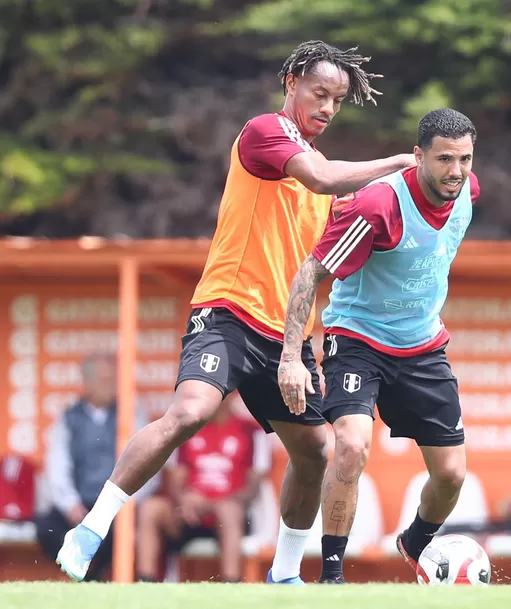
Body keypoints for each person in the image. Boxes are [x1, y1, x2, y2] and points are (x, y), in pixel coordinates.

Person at [56, 39, 416, 584]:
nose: (327, 108)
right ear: (291, 80)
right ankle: (92, 528)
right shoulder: (264, 133)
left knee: (315, 449)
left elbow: (333, 211)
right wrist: (400, 163)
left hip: (285, 337)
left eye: (337, 101)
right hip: (227, 310)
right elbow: (322, 176)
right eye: (319, 93)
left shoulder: (320, 177)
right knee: (191, 412)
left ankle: (285, 576)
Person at [277, 108, 480, 583]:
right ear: (417, 157)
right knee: (350, 445)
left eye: (465, 159)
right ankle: (331, 576)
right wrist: (291, 356)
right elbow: (312, 272)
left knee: (451, 476)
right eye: (444, 159)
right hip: (359, 339)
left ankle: (414, 543)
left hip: (423, 345)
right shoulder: (378, 207)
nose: (455, 171)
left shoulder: (468, 191)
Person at [38, 354, 157, 580]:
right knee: (47, 527)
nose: (112, 385)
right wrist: (70, 504)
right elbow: (57, 465)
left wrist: (125, 504)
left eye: (115, 379)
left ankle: (93, 578)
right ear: (87, 383)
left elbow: (148, 462)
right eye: (105, 379)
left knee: (119, 529)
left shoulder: (132, 413)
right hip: (80, 502)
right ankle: (85, 579)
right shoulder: (69, 417)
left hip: (118, 504)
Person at [135, 392, 271, 583]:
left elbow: (253, 489)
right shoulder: (186, 429)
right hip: (189, 513)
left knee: (229, 511)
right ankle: (145, 583)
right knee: (151, 508)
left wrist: (212, 504)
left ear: (232, 395)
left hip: (228, 516)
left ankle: (231, 586)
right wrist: (184, 498)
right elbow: (176, 480)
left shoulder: (252, 432)